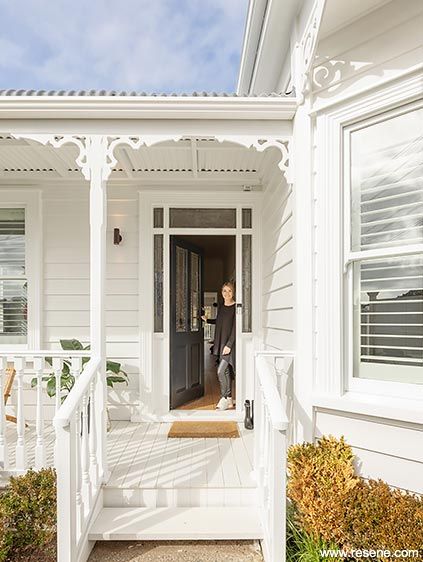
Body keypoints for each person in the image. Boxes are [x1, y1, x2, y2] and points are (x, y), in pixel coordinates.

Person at [201, 281, 236, 410]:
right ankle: (230, 400)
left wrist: (229, 344)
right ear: (222, 292)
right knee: (226, 371)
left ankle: (224, 397)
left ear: (233, 292)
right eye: (224, 291)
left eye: (229, 291)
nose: (227, 293)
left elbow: (235, 328)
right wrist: (207, 320)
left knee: (220, 371)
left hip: (229, 345)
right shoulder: (221, 307)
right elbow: (219, 321)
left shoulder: (235, 307)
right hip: (221, 343)